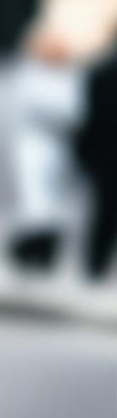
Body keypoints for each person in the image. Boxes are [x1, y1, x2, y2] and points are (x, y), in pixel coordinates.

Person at [4, 20, 87, 273]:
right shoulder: (30, 76)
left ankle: (43, 253)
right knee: (38, 202)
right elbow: (64, 110)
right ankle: (29, 252)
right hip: (37, 145)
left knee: (53, 204)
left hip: (59, 146)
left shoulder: (67, 74)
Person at [73, 16, 117, 281]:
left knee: (104, 214)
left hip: (104, 157)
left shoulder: (99, 72)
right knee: (104, 214)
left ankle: (94, 268)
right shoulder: (101, 73)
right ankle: (94, 267)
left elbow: (87, 120)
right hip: (106, 156)